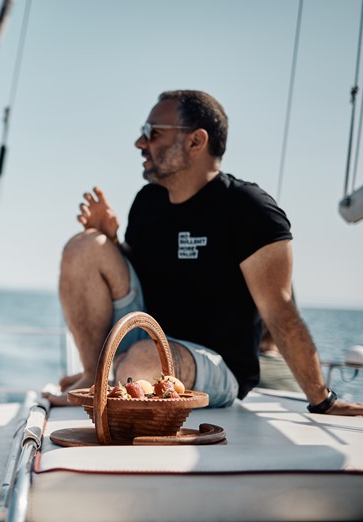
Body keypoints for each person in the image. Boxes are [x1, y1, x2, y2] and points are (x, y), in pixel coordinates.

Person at [47, 90, 363, 416]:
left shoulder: (251, 210)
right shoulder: (148, 202)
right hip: (145, 337)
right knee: (86, 245)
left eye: (152, 132)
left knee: (144, 360)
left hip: (216, 364)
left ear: (196, 142)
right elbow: (139, 274)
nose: (140, 144)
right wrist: (110, 239)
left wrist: (322, 400)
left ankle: (113, 376)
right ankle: (93, 375)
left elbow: (279, 311)